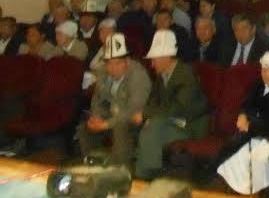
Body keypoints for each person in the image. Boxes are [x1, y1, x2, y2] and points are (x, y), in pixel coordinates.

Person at [211, 50, 269, 194]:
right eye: (264, 70)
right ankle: (232, 192)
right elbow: (248, 103)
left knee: (254, 158)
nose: (267, 74)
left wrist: (250, 126)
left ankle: (260, 194)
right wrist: (243, 114)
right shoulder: (260, 83)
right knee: (232, 153)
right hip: (257, 131)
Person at [133, 30, 210, 180]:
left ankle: (146, 176)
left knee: (153, 128)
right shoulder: (161, 76)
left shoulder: (185, 74)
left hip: (190, 125)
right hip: (170, 121)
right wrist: (147, 115)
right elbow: (152, 101)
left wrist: (147, 114)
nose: (152, 64)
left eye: (154, 60)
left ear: (166, 57)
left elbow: (177, 108)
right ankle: (148, 173)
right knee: (151, 127)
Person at [77, 32, 152, 166]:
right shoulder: (103, 72)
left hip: (133, 120)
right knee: (84, 128)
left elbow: (133, 109)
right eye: (109, 64)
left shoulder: (138, 75)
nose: (113, 68)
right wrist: (96, 116)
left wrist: (106, 124)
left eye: (118, 63)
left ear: (126, 61)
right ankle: (92, 165)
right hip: (112, 114)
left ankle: (120, 169)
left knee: (120, 128)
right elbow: (97, 99)